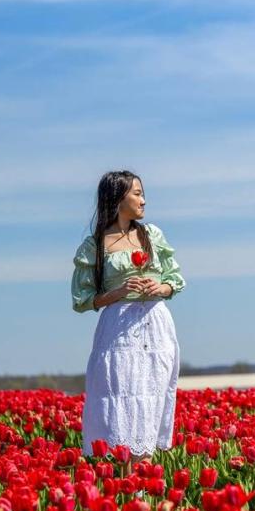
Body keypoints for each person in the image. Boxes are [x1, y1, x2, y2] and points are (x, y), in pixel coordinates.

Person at [71, 171, 185, 463]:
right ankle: (123, 475)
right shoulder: (95, 245)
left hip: (155, 324)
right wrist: (119, 291)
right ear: (118, 198)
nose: (143, 200)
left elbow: (174, 278)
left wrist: (160, 287)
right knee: (121, 393)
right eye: (137, 193)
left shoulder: (152, 235)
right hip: (118, 328)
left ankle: (145, 479)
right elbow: (84, 300)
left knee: (151, 393)